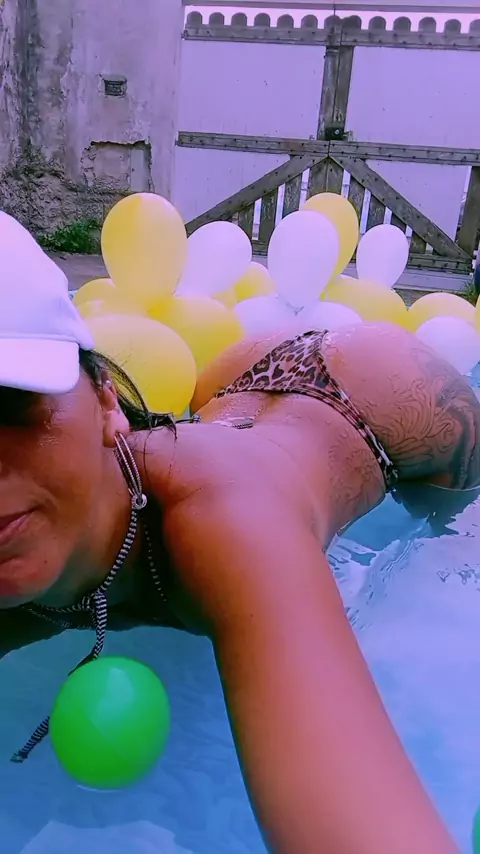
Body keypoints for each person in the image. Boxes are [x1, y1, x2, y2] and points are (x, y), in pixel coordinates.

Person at [1, 219, 479, 854]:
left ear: (107, 403)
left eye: (7, 402)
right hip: (233, 387)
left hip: (385, 396)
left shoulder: (223, 521)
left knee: (454, 518)